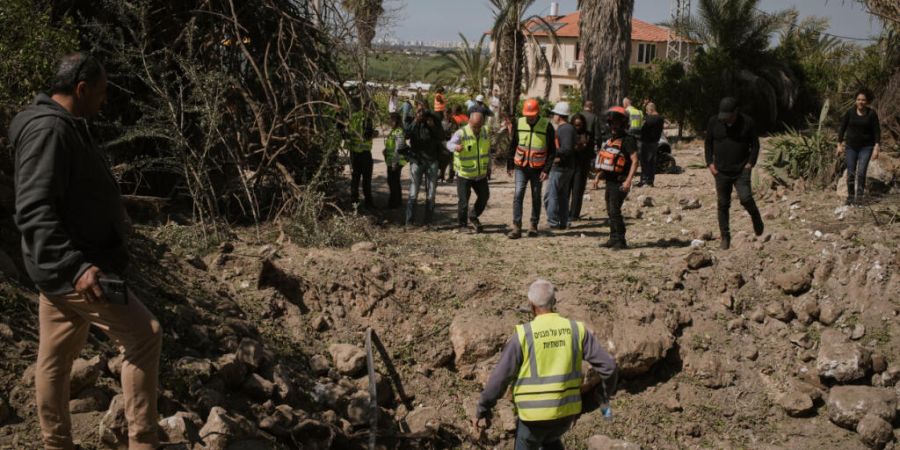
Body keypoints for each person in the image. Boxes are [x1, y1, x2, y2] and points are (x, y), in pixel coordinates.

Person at [9, 52, 163, 450]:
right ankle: (143, 443)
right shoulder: (49, 131)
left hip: (61, 268)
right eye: (101, 91)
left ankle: (56, 443)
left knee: (55, 360)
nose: (104, 100)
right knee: (144, 336)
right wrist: (75, 266)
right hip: (77, 270)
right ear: (80, 89)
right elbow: (33, 208)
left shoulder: (62, 126)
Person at [473, 279, 617, 450]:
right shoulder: (576, 330)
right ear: (554, 302)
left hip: (533, 419)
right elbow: (609, 367)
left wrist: (482, 408)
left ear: (531, 304)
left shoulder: (524, 335)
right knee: (550, 439)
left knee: (531, 441)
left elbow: (499, 378)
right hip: (565, 416)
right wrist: (602, 394)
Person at [705, 97, 764, 250]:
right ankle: (725, 237)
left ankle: (755, 216)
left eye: (727, 116)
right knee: (723, 204)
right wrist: (710, 164)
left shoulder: (747, 122)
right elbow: (708, 144)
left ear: (735, 112)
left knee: (745, 198)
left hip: (741, 170)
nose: (724, 119)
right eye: (722, 116)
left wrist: (750, 164)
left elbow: (755, 145)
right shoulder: (714, 122)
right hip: (721, 172)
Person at [507, 99, 556, 239]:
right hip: (520, 166)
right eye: (527, 115)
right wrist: (509, 164)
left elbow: (552, 151)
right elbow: (513, 144)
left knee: (536, 195)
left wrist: (546, 170)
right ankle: (516, 226)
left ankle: (533, 225)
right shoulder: (519, 122)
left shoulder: (547, 126)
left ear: (537, 113)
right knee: (518, 194)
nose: (530, 117)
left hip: (538, 169)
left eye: (532, 115)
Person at [596, 107, 639, 249]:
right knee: (610, 210)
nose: (613, 126)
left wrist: (628, 181)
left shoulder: (628, 140)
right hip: (610, 181)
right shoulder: (611, 140)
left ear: (623, 124)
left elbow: (634, 160)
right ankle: (613, 238)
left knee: (615, 210)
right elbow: (609, 162)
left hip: (620, 181)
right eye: (611, 123)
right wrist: (598, 176)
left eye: (617, 124)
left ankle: (621, 240)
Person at [446, 111, 491, 233]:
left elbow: (487, 150)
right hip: (464, 174)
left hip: (480, 174)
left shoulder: (485, 131)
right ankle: (462, 225)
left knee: (484, 196)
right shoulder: (461, 133)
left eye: (479, 126)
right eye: (475, 126)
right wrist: (456, 147)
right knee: (464, 201)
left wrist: (489, 167)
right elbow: (448, 144)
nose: (477, 129)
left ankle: (473, 215)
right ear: (469, 122)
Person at [836, 88, 881, 206]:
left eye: (863, 100)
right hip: (851, 147)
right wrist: (839, 144)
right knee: (851, 173)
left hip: (866, 148)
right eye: (858, 99)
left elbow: (877, 131)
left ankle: (859, 199)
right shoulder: (850, 112)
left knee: (861, 172)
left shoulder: (871, 114)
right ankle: (850, 197)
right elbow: (842, 128)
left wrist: (877, 147)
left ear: (867, 101)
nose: (861, 102)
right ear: (855, 101)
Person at [404, 101, 444, 226]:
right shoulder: (412, 120)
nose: (421, 113)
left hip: (432, 160)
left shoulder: (433, 119)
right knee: (413, 192)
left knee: (431, 194)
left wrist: (432, 126)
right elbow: (406, 135)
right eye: (418, 110)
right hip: (417, 160)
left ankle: (428, 222)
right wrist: (416, 121)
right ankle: (409, 222)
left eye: (423, 110)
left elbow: (442, 136)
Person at [543, 102, 576, 230]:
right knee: (562, 196)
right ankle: (563, 221)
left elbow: (567, 149)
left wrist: (551, 151)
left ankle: (553, 221)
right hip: (566, 167)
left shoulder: (566, 129)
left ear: (560, 115)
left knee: (550, 195)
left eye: (554, 114)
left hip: (561, 167)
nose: (553, 116)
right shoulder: (566, 128)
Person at [348, 97, 377, 209]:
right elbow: (366, 135)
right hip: (364, 153)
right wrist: (374, 133)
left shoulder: (355, 116)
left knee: (355, 179)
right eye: (373, 110)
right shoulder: (366, 119)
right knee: (366, 180)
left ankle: (354, 202)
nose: (374, 113)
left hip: (354, 153)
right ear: (367, 108)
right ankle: (368, 203)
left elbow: (350, 133)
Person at [568, 113, 594, 222]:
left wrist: (583, 148)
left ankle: (574, 214)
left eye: (579, 125)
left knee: (578, 191)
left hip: (582, 166)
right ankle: (564, 213)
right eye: (575, 125)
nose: (577, 127)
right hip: (569, 166)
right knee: (565, 192)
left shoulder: (587, 135)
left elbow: (591, 152)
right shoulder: (569, 133)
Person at [384, 113, 408, 209]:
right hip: (391, 161)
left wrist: (395, 163)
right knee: (393, 182)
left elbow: (399, 148)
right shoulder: (393, 131)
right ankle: (397, 202)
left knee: (393, 182)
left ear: (396, 121)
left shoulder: (399, 131)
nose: (389, 122)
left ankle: (394, 203)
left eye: (391, 120)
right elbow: (391, 145)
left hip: (396, 161)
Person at [637, 102, 664, 187]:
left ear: (650, 109)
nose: (646, 112)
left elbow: (643, 129)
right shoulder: (660, 118)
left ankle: (644, 180)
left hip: (646, 142)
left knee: (644, 162)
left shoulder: (649, 119)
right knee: (652, 162)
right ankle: (650, 181)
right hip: (655, 142)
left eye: (647, 111)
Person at [439, 109, 458, 183]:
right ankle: (442, 175)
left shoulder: (453, 122)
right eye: (445, 114)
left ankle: (451, 176)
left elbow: (455, 133)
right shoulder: (442, 122)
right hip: (443, 143)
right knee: (443, 160)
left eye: (448, 114)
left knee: (451, 161)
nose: (446, 115)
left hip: (451, 142)